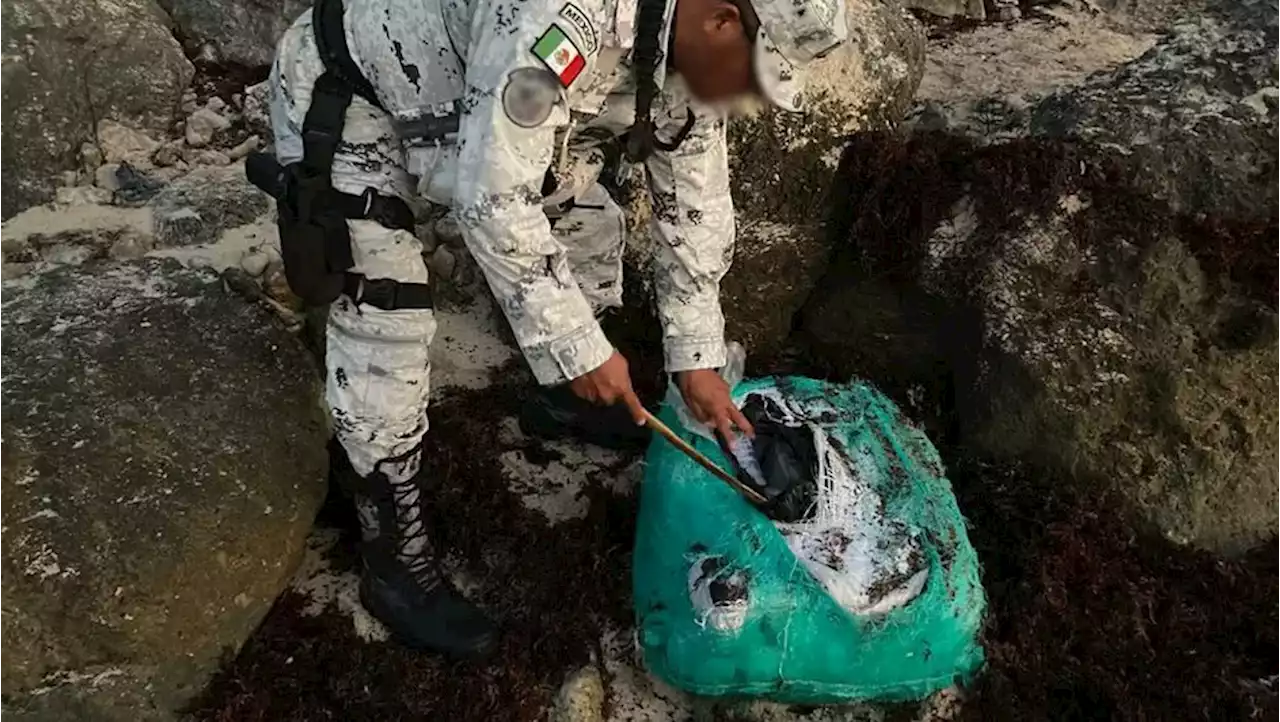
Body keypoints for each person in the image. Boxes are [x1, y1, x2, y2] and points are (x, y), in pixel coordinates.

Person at [262, 0, 848, 660]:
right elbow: (493, 198)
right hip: (357, 93)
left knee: (587, 225)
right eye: (749, 73)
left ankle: (558, 401)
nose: (741, 94)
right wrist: (576, 347)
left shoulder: (684, 41)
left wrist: (697, 355)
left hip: (476, 100)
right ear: (720, 19)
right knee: (384, 314)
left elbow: (694, 201)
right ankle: (394, 563)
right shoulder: (559, 12)